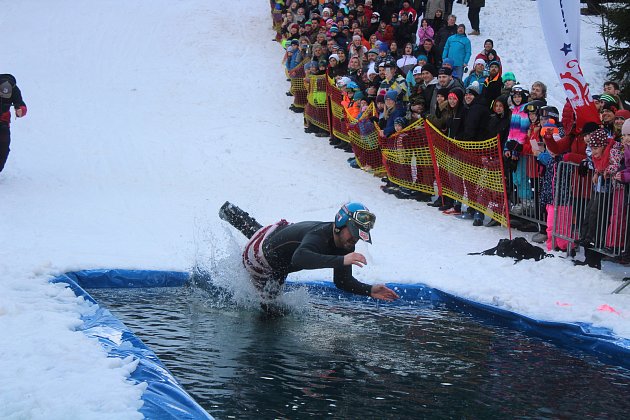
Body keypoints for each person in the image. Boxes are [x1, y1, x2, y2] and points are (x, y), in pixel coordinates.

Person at [218, 201, 399, 309]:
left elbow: (342, 281)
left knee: (276, 251)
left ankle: (230, 211)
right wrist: (342, 260)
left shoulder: (345, 244)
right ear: (339, 224)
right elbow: (300, 258)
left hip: (273, 235)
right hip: (260, 260)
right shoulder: (319, 236)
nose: (355, 239)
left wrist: (369, 290)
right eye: (353, 232)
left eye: (360, 236)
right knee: (273, 314)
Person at [0, 74, 27, 174]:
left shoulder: (15, 90)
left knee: (3, 146)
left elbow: (21, 105)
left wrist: (20, 111)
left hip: (3, 122)